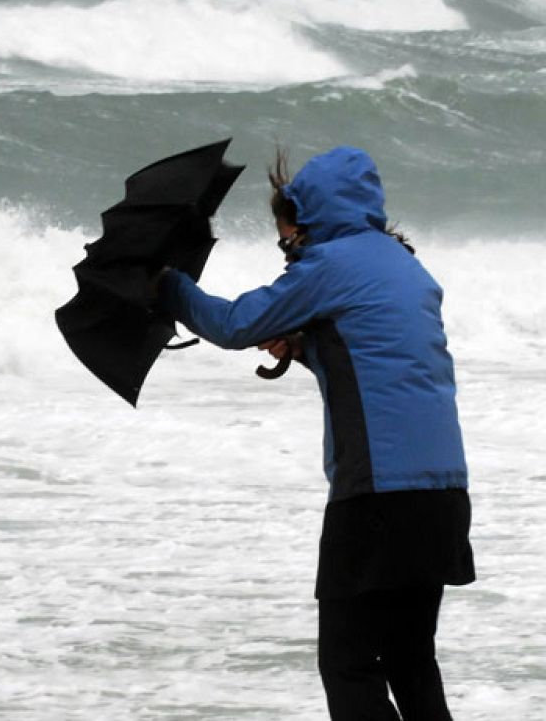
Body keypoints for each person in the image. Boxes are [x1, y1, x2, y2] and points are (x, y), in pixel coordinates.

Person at [157, 145, 475, 720]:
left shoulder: (329, 265)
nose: (288, 255)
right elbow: (382, 358)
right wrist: (308, 349)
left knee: (348, 664)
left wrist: (166, 283)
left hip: (378, 494)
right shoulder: (406, 266)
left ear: (309, 221)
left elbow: (232, 325)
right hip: (443, 496)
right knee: (410, 660)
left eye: (286, 241)